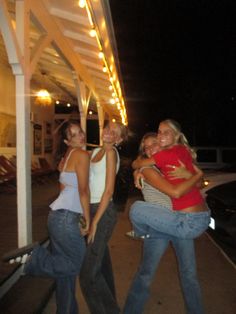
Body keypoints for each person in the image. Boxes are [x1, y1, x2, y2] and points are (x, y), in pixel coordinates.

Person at [4, 120, 90, 314]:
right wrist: (88, 220)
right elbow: (84, 190)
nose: (80, 136)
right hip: (68, 218)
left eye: (80, 132)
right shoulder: (82, 154)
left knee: (65, 274)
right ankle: (34, 258)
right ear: (68, 141)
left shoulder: (66, 157)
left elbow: (63, 189)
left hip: (57, 217)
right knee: (77, 263)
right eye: (74, 135)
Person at [124, 132, 205, 314]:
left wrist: (191, 175)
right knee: (145, 274)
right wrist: (138, 170)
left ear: (162, 145)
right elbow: (174, 191)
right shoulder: (148, 169)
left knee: (189, 275)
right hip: (159, 226)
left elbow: (198, 186)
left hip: (178, 221)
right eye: (146, 147)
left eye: (154, 143)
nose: (151, 148)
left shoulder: (170, 164)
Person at [77, 121, 129, 314]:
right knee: (101, 267)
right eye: (107, 128)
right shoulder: (93, 153)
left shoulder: (110, 153)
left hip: (103, 211)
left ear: (119, 139)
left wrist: (95, 223)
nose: (109, 132)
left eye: (115, 132)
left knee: (87, 275)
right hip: (90, 209)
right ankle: (112, 306)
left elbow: (108, 191)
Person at [131, 119, 210, 240]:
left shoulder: (165, 156)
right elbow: (198, 184)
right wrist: (137, 172)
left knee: (136, 208)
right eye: (160, 132)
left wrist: (195, 175)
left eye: (166, 133)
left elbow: (179, 192)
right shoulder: (182, 150)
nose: (161, 136)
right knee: (185, 257)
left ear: (176, 135)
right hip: (200, 215)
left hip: (187, 219)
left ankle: (141, 233)